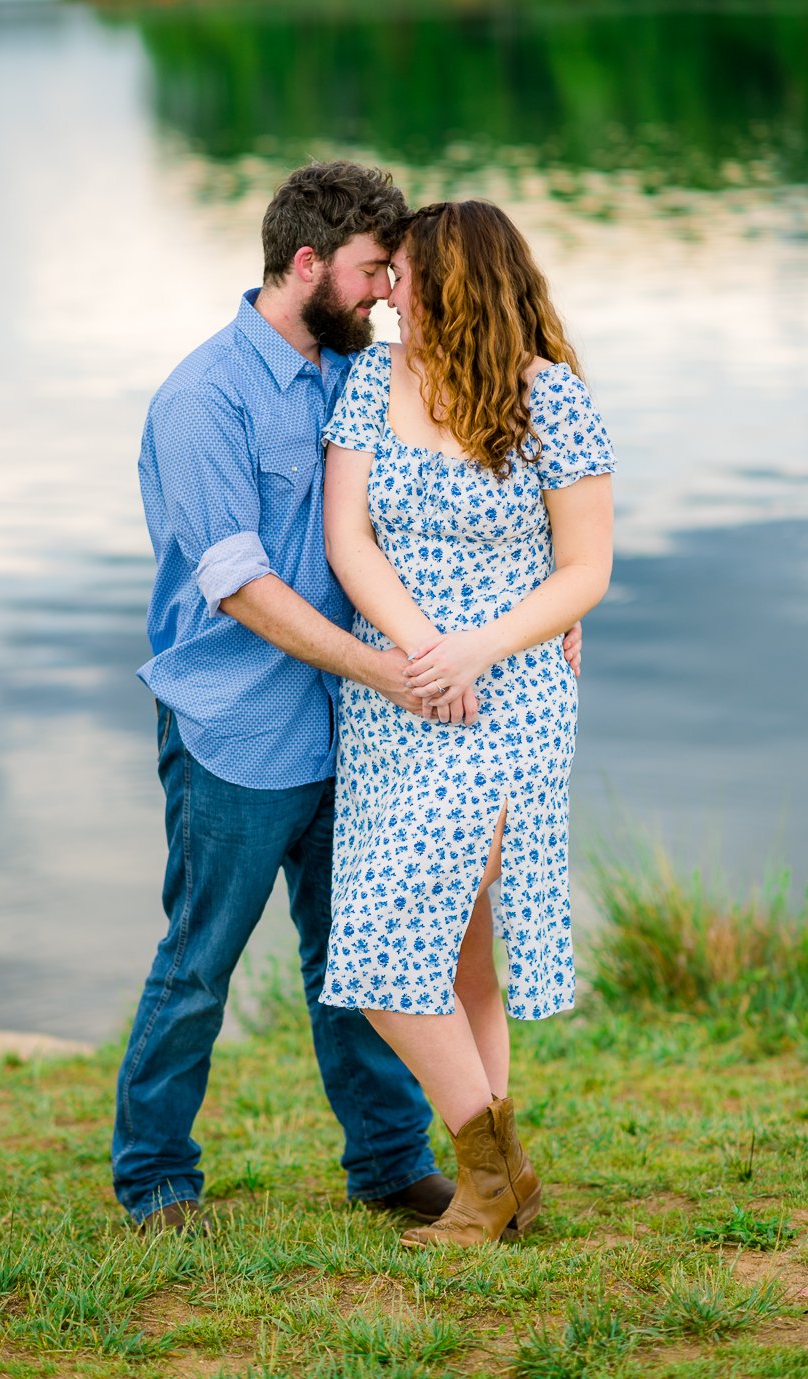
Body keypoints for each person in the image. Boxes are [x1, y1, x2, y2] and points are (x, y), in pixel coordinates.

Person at [112, 164, 583, 1234]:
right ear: (308, 262)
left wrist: (545, 598)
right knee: (199, 960)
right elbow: (240, 585)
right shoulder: (203, 398)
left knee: (363, 956)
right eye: (374, 272)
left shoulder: (353, 372)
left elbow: (444, 496)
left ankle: (388, 1164)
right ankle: (155, 1178)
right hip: (238, 725)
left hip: (363, 732)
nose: (384, 294)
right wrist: (385, 667)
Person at [320, 199, 615, 1248]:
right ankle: (499, 1180)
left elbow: (585, 568)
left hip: (510, 698)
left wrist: (476, 648)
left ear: (456, 281)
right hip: (399, 698)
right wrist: (418, 650)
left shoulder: (551, 398)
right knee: (427, 950)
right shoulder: (371, 380)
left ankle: (490, 1185)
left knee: (419, 949)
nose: (387, 292)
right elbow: (347, 536)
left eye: (401, 274)